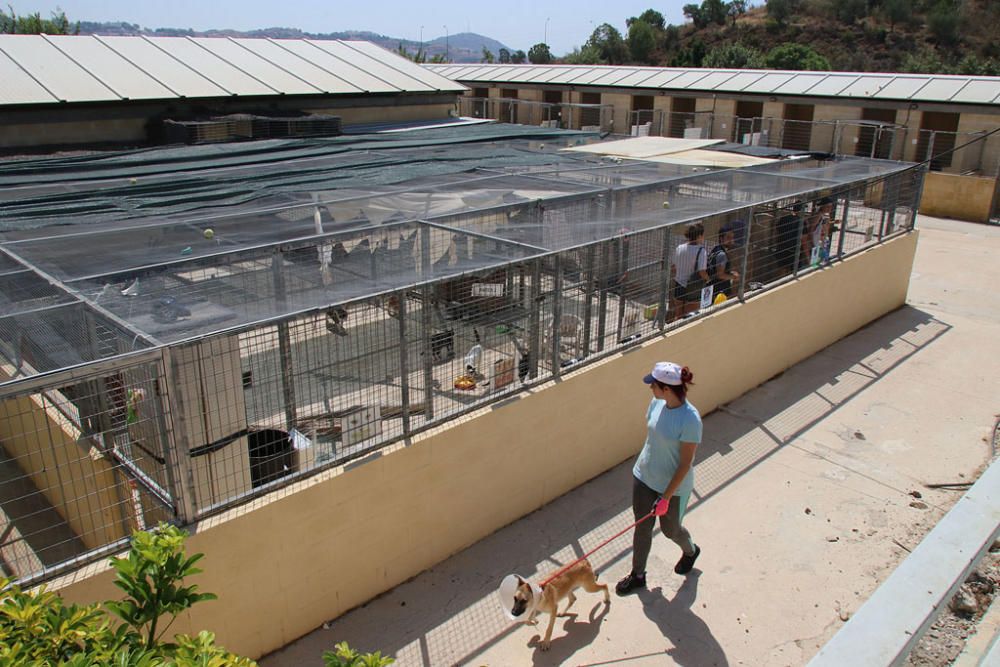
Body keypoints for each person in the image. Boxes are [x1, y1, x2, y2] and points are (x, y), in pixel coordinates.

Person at [616, 361, 702, 596]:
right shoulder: (656, 403)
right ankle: (638, 575)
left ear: (666, 388)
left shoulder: (690, 420)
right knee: (642, 528)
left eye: (653, 384)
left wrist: (665, 497)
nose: (649, 388)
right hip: (644, 476)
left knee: (671, 530)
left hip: (673, 489)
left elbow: (685, 463)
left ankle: (691, 551)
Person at [672, 223, 709, 320]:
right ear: (699, 236)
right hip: (693, 287)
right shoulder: (701, 251)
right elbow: (702, 272)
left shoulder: (679, 248)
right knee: (690, 316)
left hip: (679, 285)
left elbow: (673, 267)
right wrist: (708, 280)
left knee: (678, 315)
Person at [708, 223, 740, 298]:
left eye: (732, 237)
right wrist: (733, 277)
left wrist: (730, 272)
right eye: (728, 237)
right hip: (719, 292)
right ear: (721, 239)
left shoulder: (716, 249)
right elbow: (720, 275)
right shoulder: (722, 254)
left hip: (713, 290)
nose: (731, 240)